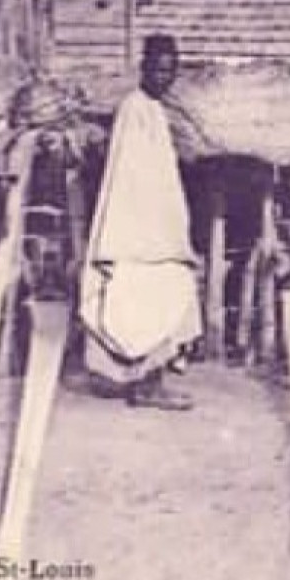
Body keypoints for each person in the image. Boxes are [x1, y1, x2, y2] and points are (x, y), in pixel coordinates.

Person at [78, 34, 202, 410]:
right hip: (136, 233)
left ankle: (144, 380)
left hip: (156, 232)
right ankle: (145, 385)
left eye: (170, 71)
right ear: (144, 68)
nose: (164, 77)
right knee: (143, 300)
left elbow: (161, 175)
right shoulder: (134, 109)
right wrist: (147, 231)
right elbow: (131, 176)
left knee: (164, 297)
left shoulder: (154, 110)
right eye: (159, 69)